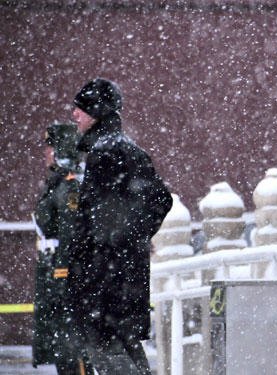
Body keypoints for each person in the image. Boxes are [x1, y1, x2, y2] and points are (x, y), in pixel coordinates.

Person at [66, 78, 173, 374]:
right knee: (124, 351)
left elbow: (99, 226)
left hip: (105, 283)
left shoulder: (106, 153)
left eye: (81, 108)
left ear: (98, 111)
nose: (74, 114)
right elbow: (160, 200)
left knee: (107, 353)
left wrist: (115, 242)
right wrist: (133, 239)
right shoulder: (122, 150)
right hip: (121, 280)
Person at [32, 122, 94, 374]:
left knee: (73, 353)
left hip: (65, 277)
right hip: (53, 273)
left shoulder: (70, 186)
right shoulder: (57, 183)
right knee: (62, 348)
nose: (46, 153)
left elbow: (71, 234)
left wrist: (63, 274)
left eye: (50, 146)